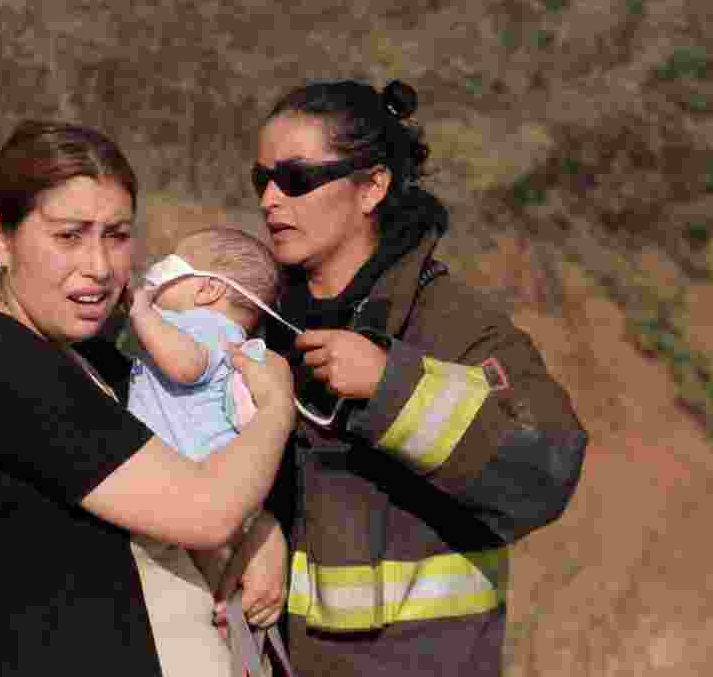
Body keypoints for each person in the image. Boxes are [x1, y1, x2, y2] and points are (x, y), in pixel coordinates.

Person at [0, 120, 295, 676]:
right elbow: (204, 511)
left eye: (117, 234)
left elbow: (183, 462)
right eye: (68, 236)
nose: (100, 266)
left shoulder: (79, 353)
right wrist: (275, 409)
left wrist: (260, 527)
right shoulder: (7, 370)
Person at [252, 79, 589, 676]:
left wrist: (392, 387)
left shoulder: (455, 324)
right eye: (262, 181)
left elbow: (546, 472)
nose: (271, 199)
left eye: (297, 179)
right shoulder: (255, 321)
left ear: (373, 186)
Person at [123, 226, 282, 676]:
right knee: (220, 600)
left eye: (171, 268)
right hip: (208, 488)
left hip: (188, 484)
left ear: (210, 289)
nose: (158, 274)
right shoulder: (222, 334)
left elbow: (186, 366)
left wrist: (141, 312)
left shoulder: (208, 329)